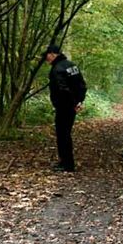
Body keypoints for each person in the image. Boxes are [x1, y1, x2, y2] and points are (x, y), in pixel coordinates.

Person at [43, 44, 86, 172]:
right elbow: (82, 85)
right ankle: (66, 162)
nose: (46, 59)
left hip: (64, 106)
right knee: (65, 134)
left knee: (63, 135)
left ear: (52, 54)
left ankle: (67, 164)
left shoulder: (57, 69)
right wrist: (79, 101)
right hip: (71, 105)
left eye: (47, 56)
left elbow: (63, 90)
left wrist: (73, 103)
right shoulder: (72, 65)